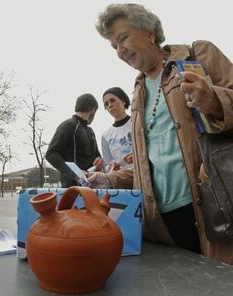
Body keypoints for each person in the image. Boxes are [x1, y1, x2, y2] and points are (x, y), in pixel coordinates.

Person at [91, 3, 233, 264]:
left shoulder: (197, 54)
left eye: (123, 38)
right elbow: (149, 164)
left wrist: (214, 100)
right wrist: (109, 179)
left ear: (149, 33)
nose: (120, 51)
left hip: (214, 210)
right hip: (161, 223)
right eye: (114, 46)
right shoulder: (138, 93)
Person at [45, 93, 102, 187]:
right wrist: (74, 173)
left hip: (91, 186)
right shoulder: (68, 125)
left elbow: (97, 156)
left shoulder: (90, 131)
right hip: (72, 189)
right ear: (93, 109)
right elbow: (51, 154)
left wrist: (99, 160)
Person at [101, 87, 133, 171]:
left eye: (112, 100)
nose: (110, 105)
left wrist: (138, 156)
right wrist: (111, 167)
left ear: (123, 101)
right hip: (121, 179)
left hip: (143, 175)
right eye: (106, 104)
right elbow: (107, 164)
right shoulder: (105, 135)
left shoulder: (138, 122)